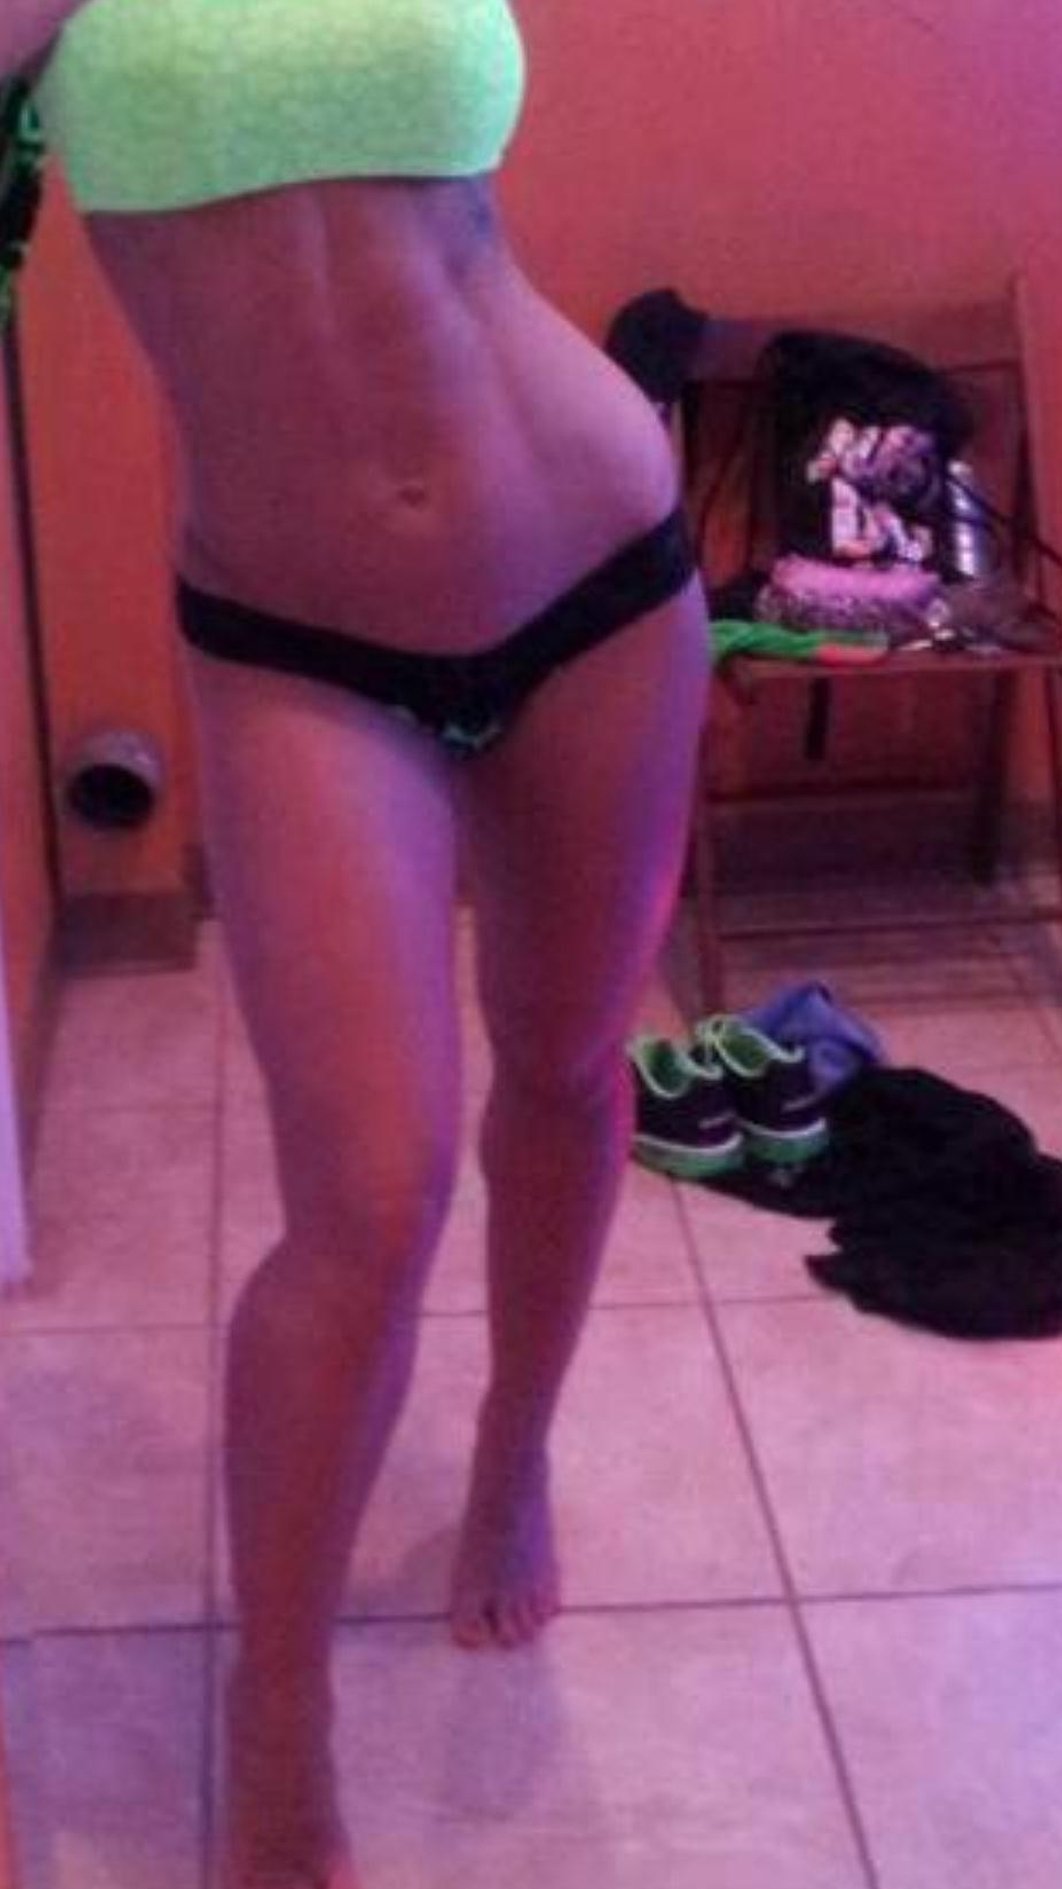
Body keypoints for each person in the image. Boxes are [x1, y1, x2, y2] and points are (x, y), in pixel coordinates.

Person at [8, 3, 710, 1884]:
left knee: (567, 1064)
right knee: (370, 1197)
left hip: (593, 563)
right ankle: (278, 1709)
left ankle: (513, 1451)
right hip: (296, 650)